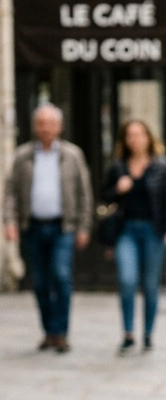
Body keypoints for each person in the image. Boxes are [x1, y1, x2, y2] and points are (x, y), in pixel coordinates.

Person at [3, 103, 93, 352]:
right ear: (35, 127)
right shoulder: (23, 156)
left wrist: (84, 226)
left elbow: (84, 193)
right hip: (32, 227)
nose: (46, 129)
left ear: (60, 127)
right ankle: (49, 331)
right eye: (41, 123)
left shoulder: (72, 155)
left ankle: (61, 332)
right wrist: (9, 222)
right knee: (40, 281)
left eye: (51, 124)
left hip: (63, 226)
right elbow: (10, 193)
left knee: (61, 275)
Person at [102, 120, 166, 352]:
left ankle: (147, 333)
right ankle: (128, 333)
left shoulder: (161, 166)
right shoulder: (118, 167)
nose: (134, 139)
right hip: (126, 230)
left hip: (153, 231)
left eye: (139, 134)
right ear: (125, 140)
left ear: (148, 138)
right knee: (126, 280)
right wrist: (117, 189)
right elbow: (105, 196)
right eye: (129, 135)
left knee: (150, 285)